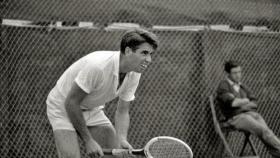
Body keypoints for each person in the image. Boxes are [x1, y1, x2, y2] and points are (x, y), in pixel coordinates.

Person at [46, 29, 159, 158]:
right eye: (144, 53)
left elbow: (122, 110)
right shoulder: (98, 66)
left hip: (91, 109)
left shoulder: (134, 73)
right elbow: (71, 103)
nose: (149, 59)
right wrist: (88, 141)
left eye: (150, 54)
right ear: (128, 51)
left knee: (114, 154)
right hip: (63, 106)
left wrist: (122, 139)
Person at [216, 60, 280, 158]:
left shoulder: (241, 86)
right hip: (235, 118)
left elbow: (255, 103)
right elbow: (233, 103)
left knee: (266, 131)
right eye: (235, 73)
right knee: (262, 131)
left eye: (239, 72)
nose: (238, 75)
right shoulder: (223, 85)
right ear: (228, 73)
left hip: (250, 114)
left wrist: (242, 103)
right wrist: (246, 101)